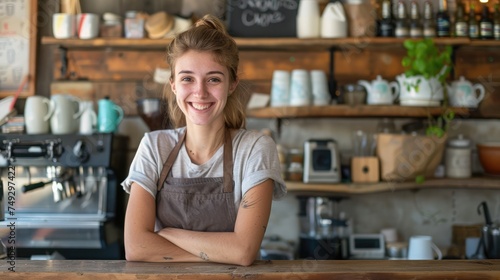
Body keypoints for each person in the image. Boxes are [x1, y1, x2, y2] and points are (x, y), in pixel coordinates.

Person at [121, 14, 287, 266]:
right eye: (187, 78)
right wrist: (223, 252)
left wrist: (167, 234)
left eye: (214, 79)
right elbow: (136, 247)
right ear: (174, 84)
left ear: (232, 84)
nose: (200, 92)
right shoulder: (154, 147)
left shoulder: (254, 149)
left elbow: (243, 251)